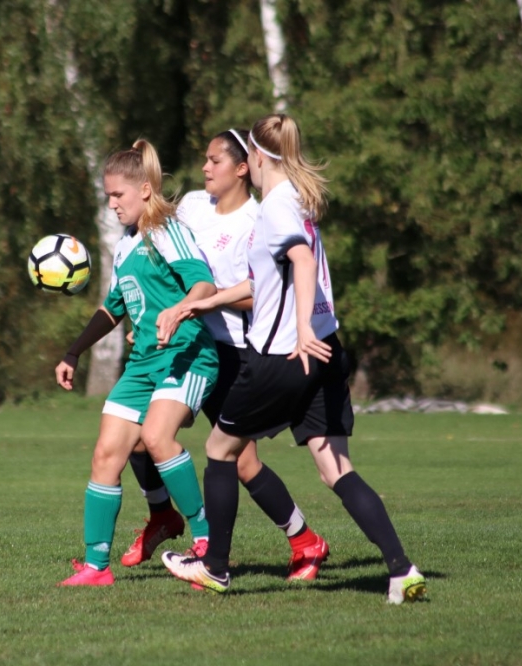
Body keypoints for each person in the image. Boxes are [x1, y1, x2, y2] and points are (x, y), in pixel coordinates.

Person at [160, 114, 426, 604]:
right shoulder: (300, 202)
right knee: (335, 470)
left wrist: (300, 328)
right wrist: (208, 301)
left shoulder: (277, 205)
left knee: (220, 450)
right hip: (325, 352)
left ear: (257, 158)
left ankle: (214, 568)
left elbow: (301, 260)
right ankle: (401, 569)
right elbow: (266, 278)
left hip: (284, 355)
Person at [121, 129, 329, 581]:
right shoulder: (193, 205)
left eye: (215, 160)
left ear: (242, 168)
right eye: (205, 159)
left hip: (229, 350)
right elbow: (159, 245)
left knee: (241, 460)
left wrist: (206, 299)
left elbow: (263, 294)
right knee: (137, 438)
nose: (205, 167)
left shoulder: (256, 220)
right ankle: (162, 516)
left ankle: (303, 540)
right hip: (181, 344)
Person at [55, 138, 219, 587]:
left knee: (156, 437)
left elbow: (204, 285)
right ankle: (96, 567)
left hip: (187, 354)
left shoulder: (166, 230)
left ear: (145, 190)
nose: (111, 204)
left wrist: (179, 309)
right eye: (107, 195)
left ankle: (207, 542)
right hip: (143, 364)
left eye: (118, 195)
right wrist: (73, 351)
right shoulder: (126, 246)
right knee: (106, 453)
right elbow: (113, 308)